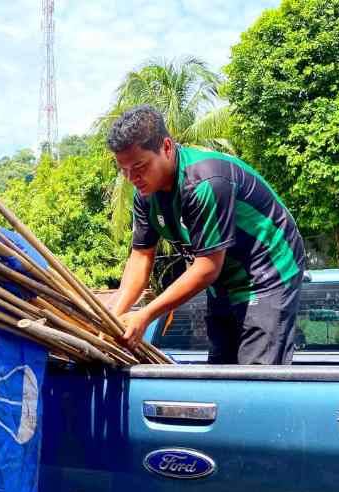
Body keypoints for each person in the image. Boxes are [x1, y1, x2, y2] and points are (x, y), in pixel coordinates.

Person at [107, 105, 306, 364]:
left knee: (256, 376)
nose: (132, 178)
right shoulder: (145, 194)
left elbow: (207, 268)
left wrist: (145, 315)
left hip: (268, 273)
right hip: (223, 280)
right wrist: (110, 320)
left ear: (166, 147)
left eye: (139, 166)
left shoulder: (205, 182)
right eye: (124, 170)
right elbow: (141, 257)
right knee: (221, 372)